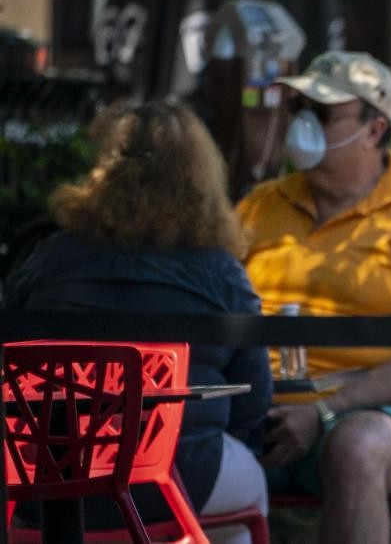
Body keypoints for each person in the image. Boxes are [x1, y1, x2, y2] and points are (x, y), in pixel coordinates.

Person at [5, 99, 272, 544]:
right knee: (248, 486)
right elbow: (253, 402)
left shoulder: (49, 259)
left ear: (103, 172)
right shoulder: (222, 273)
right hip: (178, 483)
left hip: (46, 485)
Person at [236, 50, 391, 544]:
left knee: (356, 447)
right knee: (170, 442)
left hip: (377, 419)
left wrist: (323, 413)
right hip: (256, 416)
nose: (304, 123)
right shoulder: (258, 206)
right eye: (299, 108)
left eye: (323, 113)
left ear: (375, 129)